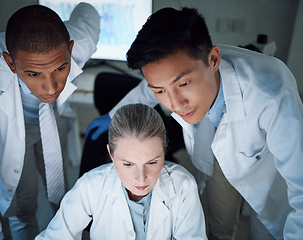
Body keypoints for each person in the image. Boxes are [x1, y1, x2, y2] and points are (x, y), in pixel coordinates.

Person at [86, 6, 303, 240]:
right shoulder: (172, 77)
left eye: (184, 84)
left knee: (269, 230)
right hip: (217, 153)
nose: (176, 104)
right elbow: (148, 90)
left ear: (214, 59)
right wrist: (112, 114)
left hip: (269, 172)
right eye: (161, 90)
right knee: (220, 228)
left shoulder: (272, 94)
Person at [0, 3, 100, 240]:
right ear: (11, 63)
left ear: (70, 49)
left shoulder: (82, 40)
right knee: (23, 204)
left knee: (62, 192)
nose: (51, 88)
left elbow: (87, 11)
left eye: (61, 68)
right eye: (34, 73)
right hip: (9, 131)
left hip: (53, 117)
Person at [36, 103, 206, 239]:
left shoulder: (183, 185)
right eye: (128, 164)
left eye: (152, 162)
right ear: (111, 153)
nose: (141, 179)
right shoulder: (90, 186)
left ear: (164, 152)